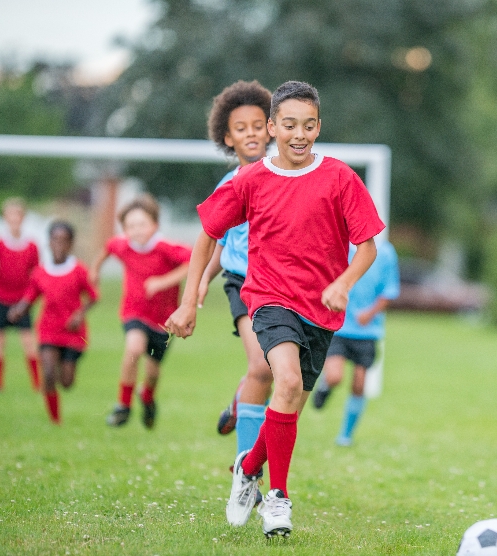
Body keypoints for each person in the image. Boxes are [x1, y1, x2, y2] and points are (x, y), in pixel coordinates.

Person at [164, 80, 384, 539]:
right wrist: (188, 302)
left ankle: (247, 468)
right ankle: (278, 500)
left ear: (319, 127)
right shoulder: (251, 179)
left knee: (288, 404)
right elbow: (207, 234)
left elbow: (367, 247)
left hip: (321, 311)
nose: (298, 134)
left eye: (308, 125)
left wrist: (343, 283)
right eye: (288, 125)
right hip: (268, 298)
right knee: (282, 379)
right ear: (272, 127)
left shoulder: (341, 178)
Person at [196, 80, 275, 459]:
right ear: (228, 138)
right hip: (241, 282)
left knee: (275, 371)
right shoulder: (229, 185)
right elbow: (218, 242)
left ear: (271, 128)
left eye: (257, 126)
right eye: (241, 129)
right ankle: (246, 470)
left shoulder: (285, 179)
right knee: (262, 365)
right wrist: (199, 284)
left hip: (280, 285)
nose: (251, 134)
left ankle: (239, 401)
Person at [90, 194, 192, 429]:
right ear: (124, 228)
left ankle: (147, 396)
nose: (136, 230)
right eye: (130, 226)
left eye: (142, 224)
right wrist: (95, 270)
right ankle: (123, 405)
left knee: (153, 372)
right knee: (134, 349)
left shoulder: (166, 248)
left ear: (154, 225)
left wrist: (163, 281)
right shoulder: (122, 245)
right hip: (133, 312)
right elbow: (107, 249)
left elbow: (193, 262)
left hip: (164, 321)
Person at [7, 221, 98, 424]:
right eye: (55, 240)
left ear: (71, 244)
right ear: (48, 242)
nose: (59, 245)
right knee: (48, 373)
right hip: (48, 329)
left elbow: (93, 296)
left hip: (73, 332)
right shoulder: (40, 271)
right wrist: (19, 309)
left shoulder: (78, 270)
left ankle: (64, 370)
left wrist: (79, 314)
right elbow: (30, 296)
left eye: (64, 241)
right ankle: (55, 420)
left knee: (66, 382)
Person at [312, 238, 399, 446]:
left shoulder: (385, 252)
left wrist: (369, 314)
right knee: (335, 376)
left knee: (359, 383)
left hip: (367, 331)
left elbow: (389, 290)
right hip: (339, 326)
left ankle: (346, 435)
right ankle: (325, 386)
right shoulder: (337, 244)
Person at [0, 197, 41, 391]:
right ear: (5, 218)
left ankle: (37, 384)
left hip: (21, 301)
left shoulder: (31, 246)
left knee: (29, 341)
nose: (14, 219)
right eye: (10, 215)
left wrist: (29, 298)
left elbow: (35, 275)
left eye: (17, 215)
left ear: (23, 217)